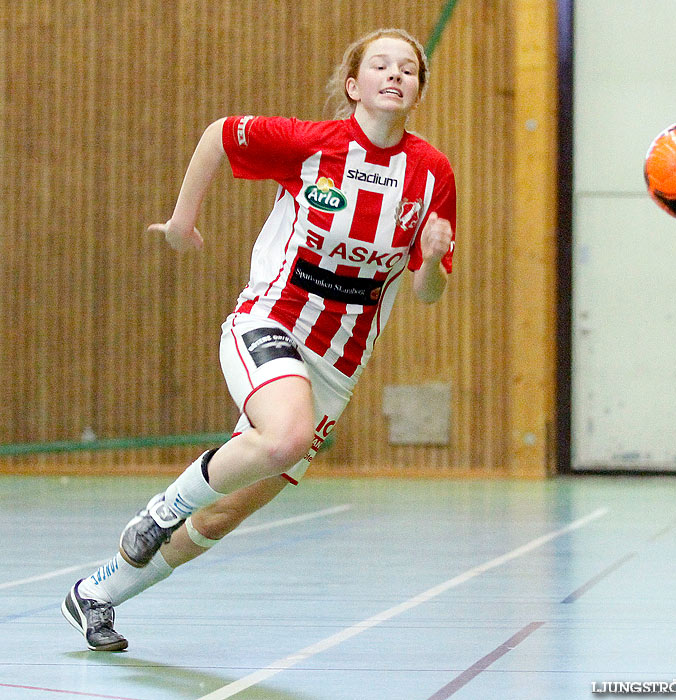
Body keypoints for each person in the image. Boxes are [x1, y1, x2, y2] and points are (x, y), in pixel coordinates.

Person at [61, 27, 456, 651]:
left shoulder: (431, 175)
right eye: (379, 65)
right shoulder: (312, 145)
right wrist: (182, 221)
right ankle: (161, 511)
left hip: (338, 368)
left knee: (225, 511)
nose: (394, 75)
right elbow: (220, 133)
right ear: (353, 86)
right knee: (286, 433)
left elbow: (428, 293)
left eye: (407, 69)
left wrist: (430, 263)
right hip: (270, 322)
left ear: (418, 91)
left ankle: (96, 596)